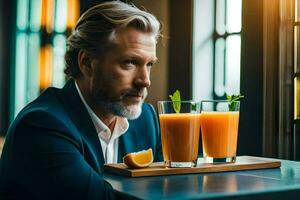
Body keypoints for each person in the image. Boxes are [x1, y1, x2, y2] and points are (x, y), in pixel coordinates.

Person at [0, 1, 162, 199]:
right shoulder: (41, 126)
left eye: (149, 64)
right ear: (86, 63)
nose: (145, 81)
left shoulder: (146, 119)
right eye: (129, 62)